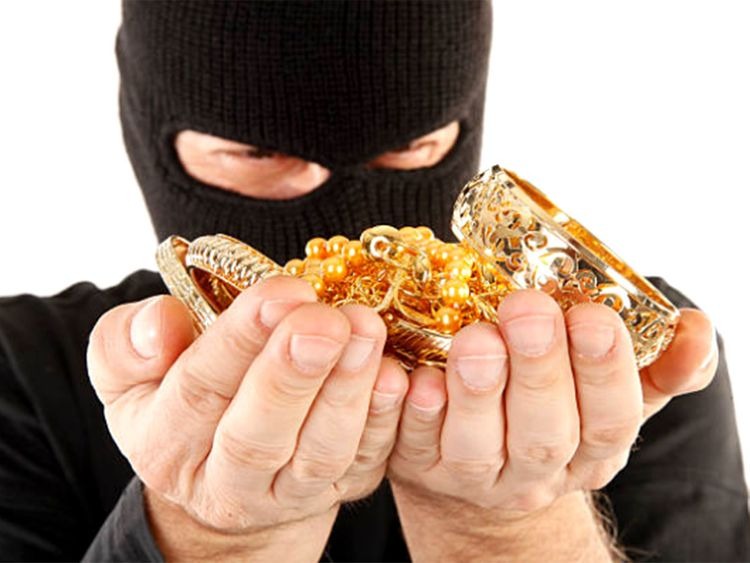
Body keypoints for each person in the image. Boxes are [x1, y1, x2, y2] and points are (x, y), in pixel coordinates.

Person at [0, 1, 748, 561]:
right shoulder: (22, 371)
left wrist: (509, 527)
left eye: (411, 148)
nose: (351, 225)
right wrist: (211, 537)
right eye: (258, 155)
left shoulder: (614, 363)